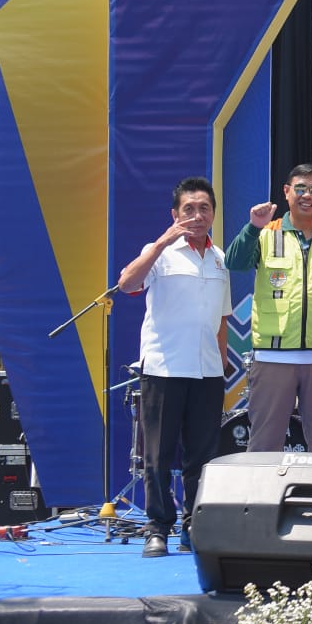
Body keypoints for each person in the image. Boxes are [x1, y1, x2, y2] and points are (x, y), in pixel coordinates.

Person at [118, 177, 233, 557]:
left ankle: (193, 526)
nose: (197, 216)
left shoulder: (219, 260)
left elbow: (221, 321)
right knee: (158, 455)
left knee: (202, 457)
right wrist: (162, 243)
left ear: (213, 214)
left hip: (207, 372)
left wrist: (222, 365)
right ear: (175, 214)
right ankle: (157, 527)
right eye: (189, 209)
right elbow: (127, 284)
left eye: (204, 208)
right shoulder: (158, 251)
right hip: (165, 369)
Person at [225, 164, 312, 454]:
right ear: (286, 192)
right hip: (273, 356)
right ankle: (260, 501)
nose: (308, 195)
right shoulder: (264, 233)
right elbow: (234, 262)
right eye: (300, 188)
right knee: (264, 442)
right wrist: (252, 227)